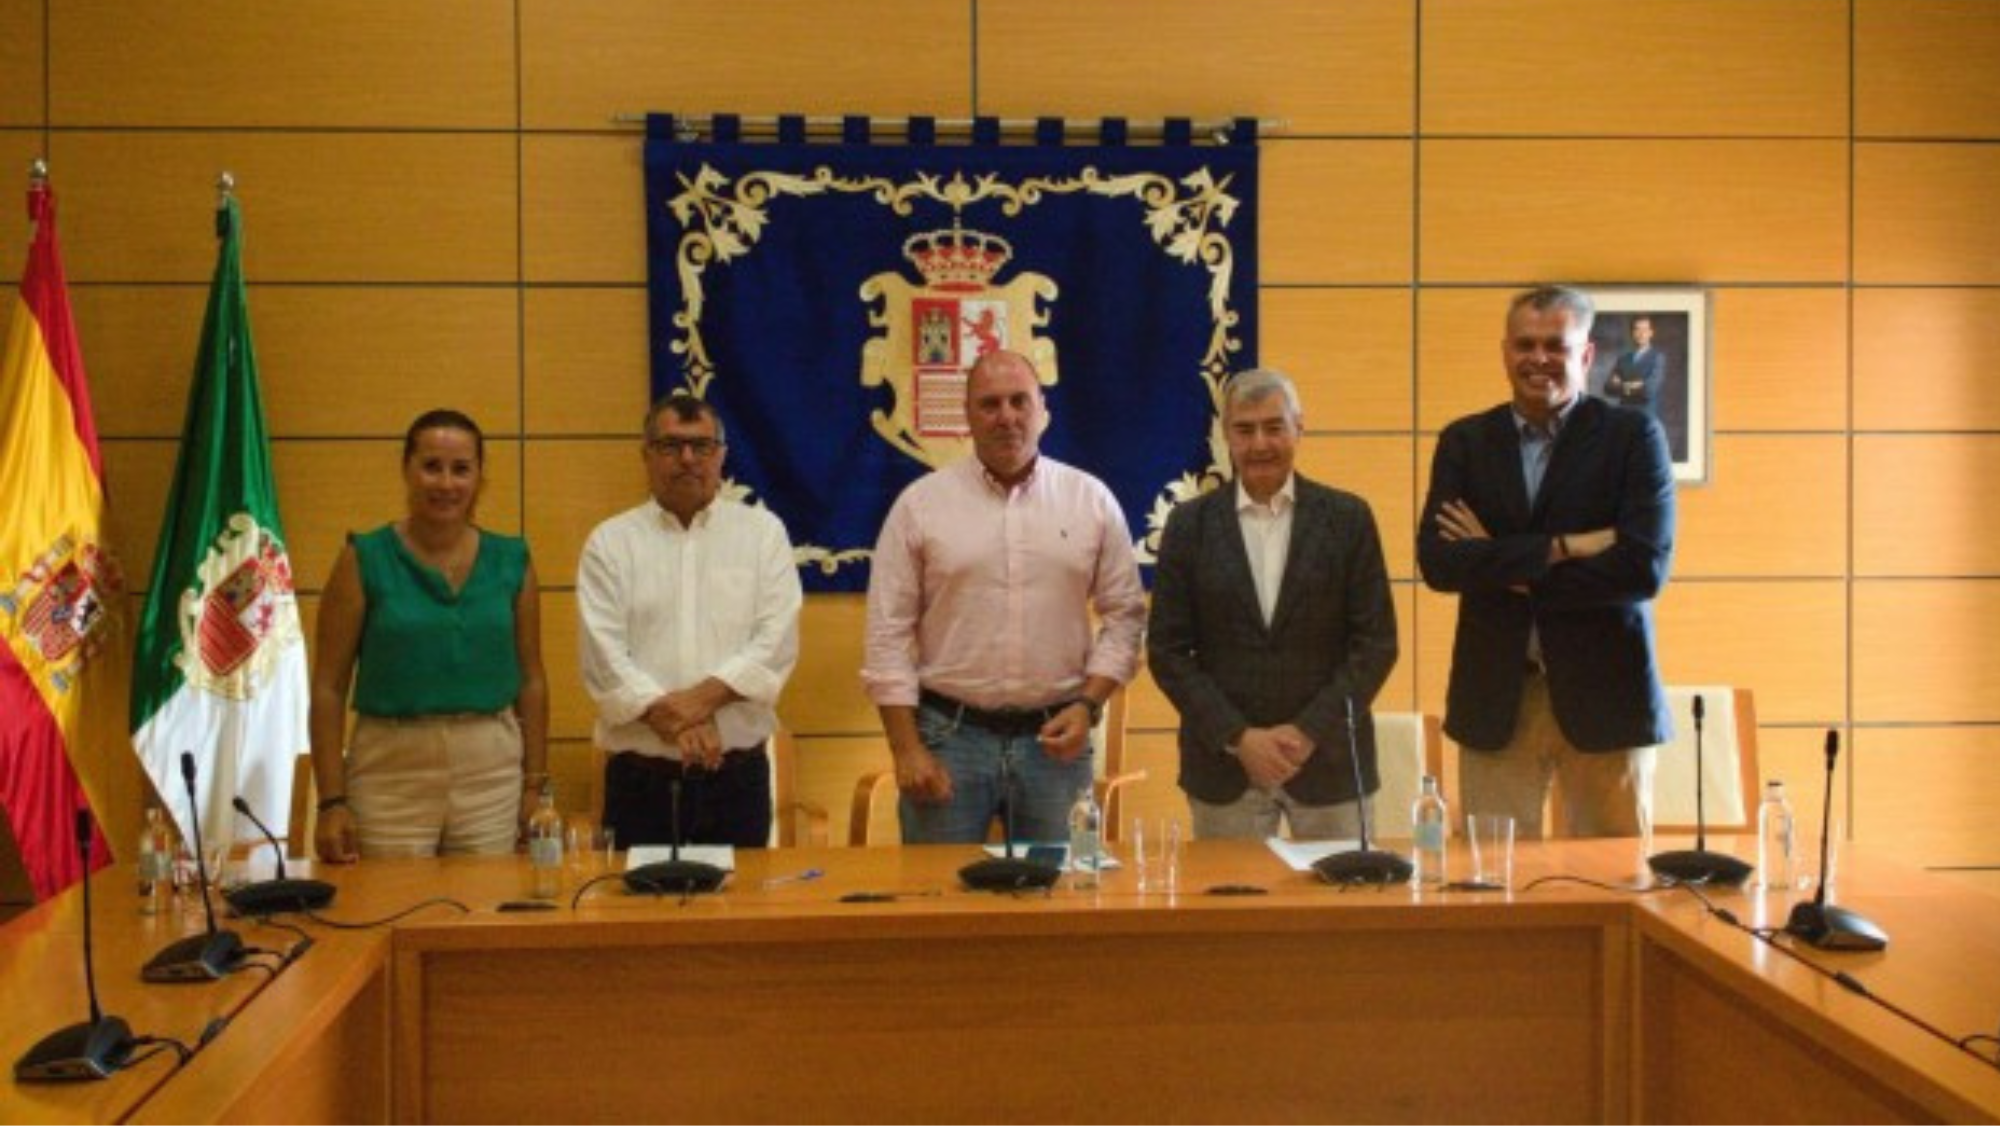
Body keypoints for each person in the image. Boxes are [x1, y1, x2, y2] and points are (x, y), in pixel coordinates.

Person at [1418, 285, 1675, 838]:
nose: (1539, 359)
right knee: (1490, 884)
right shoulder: (1466, 442)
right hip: (1497, 699)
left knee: (1617, 881)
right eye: (1525, 344)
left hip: (1608, 696)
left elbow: (1641, 568)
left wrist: (1498, 561)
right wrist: (1560, 548)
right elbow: (1439, 563)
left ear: (1585, 355)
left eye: (1556, 345)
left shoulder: (1633, 437)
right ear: (1505, 352)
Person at [863, 349, 1146, 844]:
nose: (1007, 417)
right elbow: (886, 634)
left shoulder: (1091, 501)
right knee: (938, 902)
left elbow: (1125, 618)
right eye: (989, 404)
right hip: (948, 740)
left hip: (1057, 738)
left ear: (1043, 410)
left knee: (1061, 903)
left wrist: (1089, 705)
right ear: (967, 416)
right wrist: (905, 749)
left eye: (1020, 401)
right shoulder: (919, 506)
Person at [1148, 369, 1398, 841]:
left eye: (1274, 426)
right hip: (1224, 769)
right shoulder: (1188, 526)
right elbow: (1168, 651)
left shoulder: (1348, 519)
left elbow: (1376, 644)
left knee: (1339, 908)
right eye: (1244, 430)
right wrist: (1239, 738)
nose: (1260, 443)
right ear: (1226, 437)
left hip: (1331, 764)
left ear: (1299, 428)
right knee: (1232, 910)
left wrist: (1306, 733)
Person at [310, 409, 549, 861]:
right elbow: (328, 687)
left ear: (480, 477)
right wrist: (331, 801)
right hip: (390, 773)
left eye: (461, 469)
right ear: (407, 470)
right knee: (392, 912)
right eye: (432, 466)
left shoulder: (512, 559)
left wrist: (536, 785)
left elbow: (532, 680)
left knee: (480, 919)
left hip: (490, 771)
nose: (446, 483)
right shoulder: (363, 558)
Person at [577, 393, 802, 849]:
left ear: (720, 455)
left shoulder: (763, 534)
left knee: (740, 916)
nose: (687, 459)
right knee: (637, 915)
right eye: (669, 446)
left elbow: (774, 642)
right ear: (646, 455)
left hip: (736, 778)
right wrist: (675, 720)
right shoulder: (610, 543)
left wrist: (694, 705)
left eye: (701, 447)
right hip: (641, 779)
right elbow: (603, 656)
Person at [1602, 315, 1664, 412]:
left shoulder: (1657, 358)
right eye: (1637, 329)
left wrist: (1622, 385)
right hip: (1624, 415)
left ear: (1651, 333)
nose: (1641, 334)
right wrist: (1635, 385)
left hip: (1645, 417)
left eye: (1644, 330)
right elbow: (1608, 388)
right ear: (1632, 333)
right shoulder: (1623, 360)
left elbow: (1649, 390)